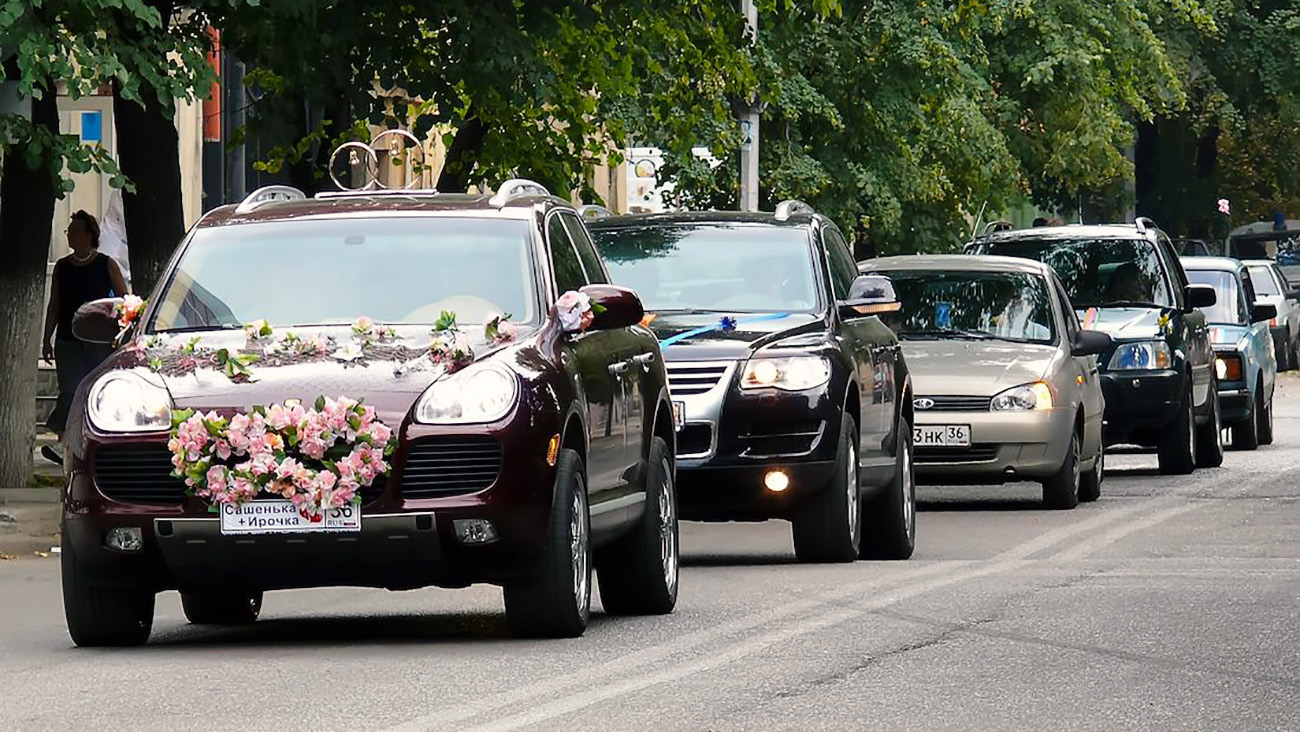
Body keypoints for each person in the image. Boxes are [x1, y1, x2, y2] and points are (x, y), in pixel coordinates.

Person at [41, 210, 129, 464]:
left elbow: (124, 300)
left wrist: (122, 333)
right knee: (69, 391)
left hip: (98, 340)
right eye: (69, 231)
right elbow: (55, 304)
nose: (70, 235)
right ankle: (64, 444)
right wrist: (47, 338)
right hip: (68, 339)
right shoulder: (62, 266)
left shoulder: (105, 264)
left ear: (89, 234)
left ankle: (96, 444)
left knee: (94, 391)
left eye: (75, 231)